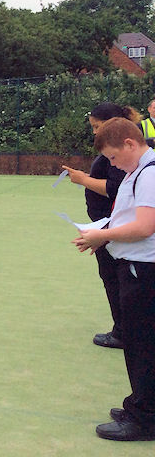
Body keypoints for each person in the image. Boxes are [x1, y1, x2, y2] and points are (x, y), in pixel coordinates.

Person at [73, 117, 155, 441]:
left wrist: (102, 236)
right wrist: (104, 234)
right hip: (135, 265)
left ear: (130, 145)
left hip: (142, 269)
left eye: (113, 157)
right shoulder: (139, 170)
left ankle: (145, 417)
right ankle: (141, 404)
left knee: (142, 345)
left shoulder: (148, 174)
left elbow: (145, 226)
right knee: (140, 343)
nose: (113, 164)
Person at [61, 103, 140, 349]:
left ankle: (124, 333)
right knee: (114, 277)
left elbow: (115, 188)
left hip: (110, 227)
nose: (95, 132)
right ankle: (125, 329)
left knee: (115, 278)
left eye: (97, 126)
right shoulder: (117, 150)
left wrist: (84, 180)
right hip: (106, 225)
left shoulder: (124, 154)